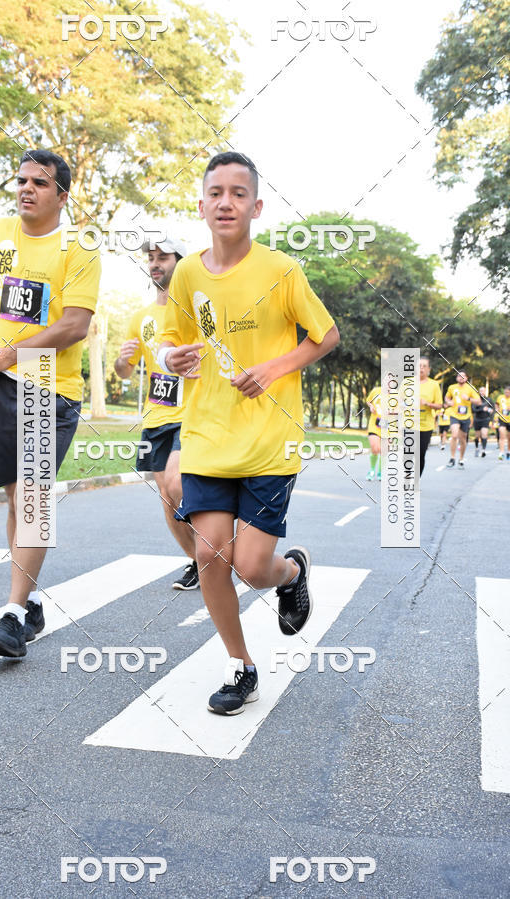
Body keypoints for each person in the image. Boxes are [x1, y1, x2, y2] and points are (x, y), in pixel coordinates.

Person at [158, 151, 339, 715]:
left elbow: (326, 335)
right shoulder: (187, 273)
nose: (226, 202)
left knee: (253, 568)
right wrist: (171, 358)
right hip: (209, 435)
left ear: (256, 206)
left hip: (269, 442)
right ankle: (242, 666)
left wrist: (273, 369)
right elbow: (170, 338)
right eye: (216, 192)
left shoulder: (281, 271)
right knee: (212, 554)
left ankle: (292, 571)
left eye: (239, 193)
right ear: (202, 204)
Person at [0, 149, 101, 658]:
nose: (26, 189)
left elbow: (74, 325)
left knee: (32, 501)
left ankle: (13, 615)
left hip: (49, 381)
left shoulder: (80, 246)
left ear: (61, 195)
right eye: (20, 180)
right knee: (16, 499)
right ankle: (32, 600)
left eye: (39, 183)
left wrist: (9, 352)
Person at [114, 237, 199, 590]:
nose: (155, 263)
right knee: (167, 497)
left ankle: (218, 548)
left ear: (180, 261)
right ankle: (199, 561)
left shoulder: (195, 308)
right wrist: (122, 359)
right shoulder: (141, 317)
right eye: (151, 257)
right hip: (156, 417)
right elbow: (123, 371)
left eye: (163, 256)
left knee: (178, 485)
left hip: (192, 412)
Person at [444, 371, 478, 469]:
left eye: (463, 376)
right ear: (456, 378)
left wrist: (468, 399)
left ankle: (461, 459)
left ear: (466, 378)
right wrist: (449, 402)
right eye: (459, 375)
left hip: (466, 416)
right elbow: (447, 397)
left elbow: (478, 401)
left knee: (463, 439)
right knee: (454, 435)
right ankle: (452, 458)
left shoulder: (470, 388)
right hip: (454, 415)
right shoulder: (452, 387)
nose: (460, 377)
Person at [418, 357, 443, 476]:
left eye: (424, 366)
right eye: (419, 365)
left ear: (429, 369)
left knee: (421, 453)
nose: (421, 368)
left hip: (426, 424)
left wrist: (428, 403)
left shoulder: (434, 385)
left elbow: (439, 405)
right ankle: (407, 473)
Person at [496, 385, 510, 461]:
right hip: (502, 419)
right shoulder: (500, 397)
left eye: (508, 392)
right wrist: (497, 410)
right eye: (505, 392)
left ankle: (508, 451)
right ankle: (501, 452)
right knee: (502, 435)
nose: (506, 394)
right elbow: (497, 405)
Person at [471, 387, 494, 457]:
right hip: (477, 420)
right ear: (478, 392)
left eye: (483, 391)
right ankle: (477, 448)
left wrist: (491, 419)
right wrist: (482, 409)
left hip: (485, 419)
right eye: (481, 391)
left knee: (484, 434)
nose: (482, 392)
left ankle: (483, 450)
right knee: (477, 436)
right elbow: (473, 410)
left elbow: (493, 409)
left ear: (485, 392)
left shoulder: (489, 400)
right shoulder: (476, 400)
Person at [365, 385, 382, 480]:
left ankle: (380, 472)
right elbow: (368, 400)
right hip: (374, 425)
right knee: (375, 448)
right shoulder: (376, 391)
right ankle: (372, 470)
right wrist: (371, 406)